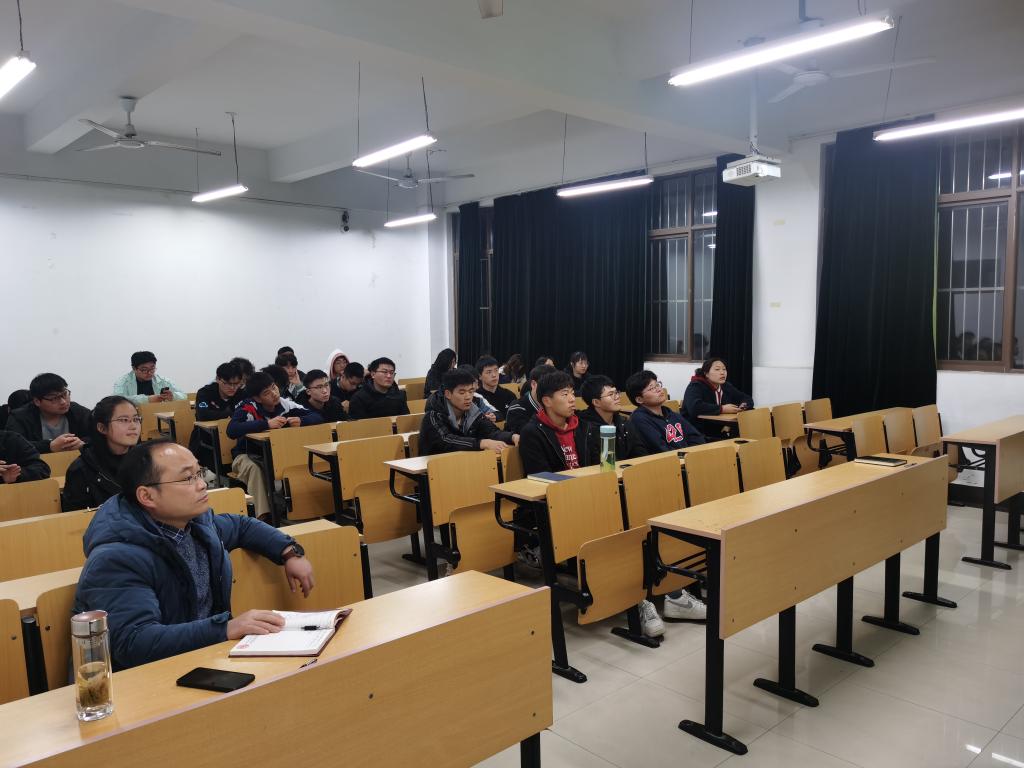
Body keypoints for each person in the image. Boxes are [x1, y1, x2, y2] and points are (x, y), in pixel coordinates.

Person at [73, 440, 315, 671]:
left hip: (204, 657)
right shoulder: (117, 559)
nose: (202, 484)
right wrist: (225, 628)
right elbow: (134, 642)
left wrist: (290, 552)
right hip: (150, 679)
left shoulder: (197, 524)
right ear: (147, 496)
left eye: (199, 473)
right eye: (188, 478)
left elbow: (242, 526)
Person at [518, 372, 670, 635]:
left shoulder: (584, 427)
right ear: (547, 401)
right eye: (564, 394)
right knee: (621, 530)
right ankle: (638, 600)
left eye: (571, 393)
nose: (571, 399)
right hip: (560, 506)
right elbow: (539, 477)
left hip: (592, 497)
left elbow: (598, 467)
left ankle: (658, 591)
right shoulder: (533, 432)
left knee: (641, 520)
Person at [226, 372, 323, 520]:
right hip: (245, 456)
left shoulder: (285, 404)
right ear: (257, 398)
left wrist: (301, 421)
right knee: (255, 470)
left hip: (276, 454)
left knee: (300, 461)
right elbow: (231, 430)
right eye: (267, 393)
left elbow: (317, 417)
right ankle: (263, 517)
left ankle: (302, 509)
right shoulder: (248, 408)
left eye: (274, 387)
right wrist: (266, 424)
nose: (274, 394)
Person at [63, 396, 141, 511]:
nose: (133, 426)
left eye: (136, 419)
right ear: (102, 428)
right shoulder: (81, 469)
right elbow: (75, 516)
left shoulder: (146, 460)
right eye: (124, 420)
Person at [419, 368, 518, 455]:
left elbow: (491, 432)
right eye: (462, 392)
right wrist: (482, 443)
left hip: (465, 464)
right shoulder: (433, 415)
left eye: (471, 391)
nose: (468, 397)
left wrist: (512, 437)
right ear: (448, 394)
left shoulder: (473, 410)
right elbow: (446, 440)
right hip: (436, 466)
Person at [5, 373, 91, 454]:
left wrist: (83, 443)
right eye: (54, 398)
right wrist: (49, 446)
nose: (63, 402)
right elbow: (12, 446)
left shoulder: (77, 411)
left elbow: (96, 434)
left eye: (65, 394)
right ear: (37, 401)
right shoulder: (19, 417)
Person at [625, 371, 705, 453]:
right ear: (639, 399)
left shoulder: (670, 413)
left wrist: (694, 454)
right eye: (652, 388)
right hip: (668, 459)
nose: (659, 389)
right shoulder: (639, 419)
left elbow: (696, 437)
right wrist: (687, 456)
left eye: (657, 385)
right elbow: (660, 448)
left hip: (688, 457)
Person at [577, 375, 647, 462]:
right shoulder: (587, 428)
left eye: (616, 392)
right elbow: (605, 463)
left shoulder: (623, 422)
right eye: (611, 394)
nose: (617, 397)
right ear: (596, 402)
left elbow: (640, 453)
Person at [190, 362, 246, 466]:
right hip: (206, 440)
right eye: (227, 383)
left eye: (236, 384)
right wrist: (229, 414)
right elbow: (203, 415)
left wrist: (223, 415)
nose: (232, 388)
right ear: (218, 379)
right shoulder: (205, 392)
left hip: (233, 440)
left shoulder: (242, 394)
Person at [683, 358, 755, 438]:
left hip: (717, 429)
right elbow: (695, 407)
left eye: (724, 369)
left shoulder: (725, 386)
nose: (722, 372)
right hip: (695, 431)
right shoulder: (695, 386)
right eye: (717, 369)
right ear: (706, 373)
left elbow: (745, 397)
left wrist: (744, 405)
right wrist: (722, 409)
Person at [113, 351, 186, 405]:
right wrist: (147, 399)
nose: (149, 373)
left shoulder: (163, 381)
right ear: (134, 368)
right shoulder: (123, 382)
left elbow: (184, 396)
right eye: (144, 370)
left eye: (152, 368)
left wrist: (173, 396)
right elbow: (117, 401)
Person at [504, 364, 555, 434]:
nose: (551, 391)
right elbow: (530, 436)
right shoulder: (517, 409)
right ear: (533, 384)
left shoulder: (557, 404)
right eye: (546, 385)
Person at [476, 356, 517, 420]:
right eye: (489, 372)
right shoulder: (476, 397)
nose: (494, 375)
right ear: (480, 376)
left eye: (496, 370)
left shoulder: (509, 395)